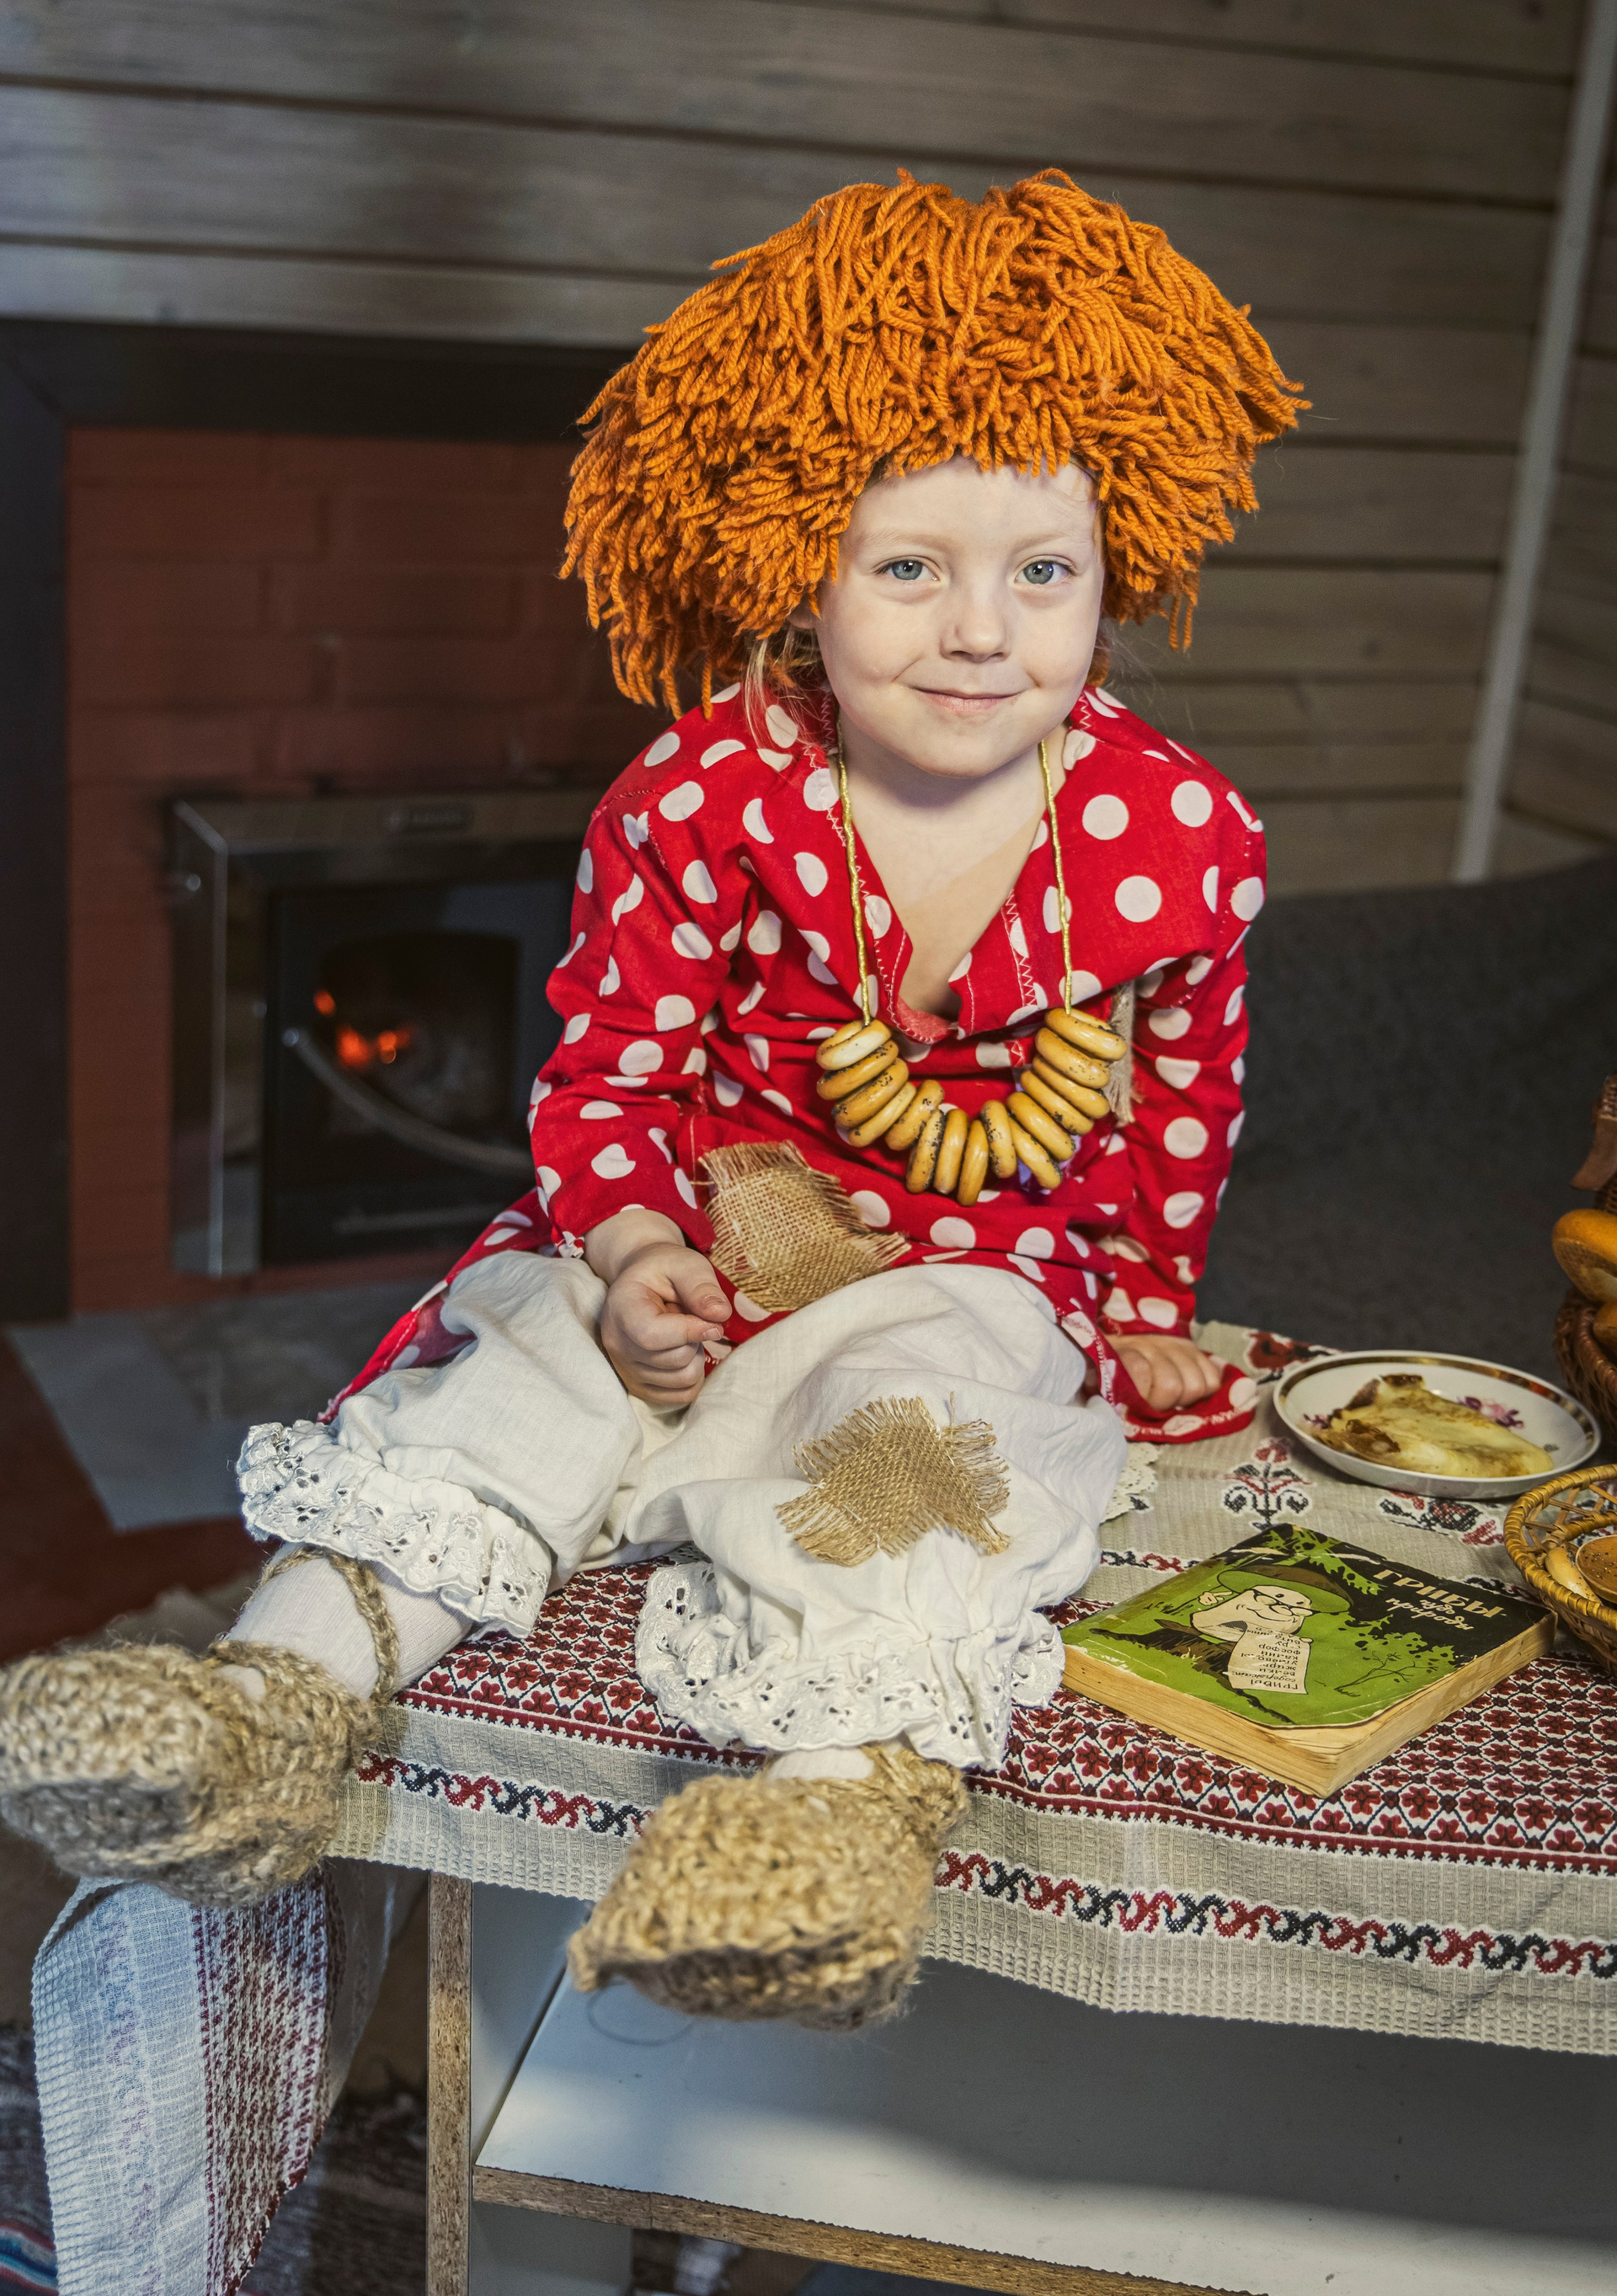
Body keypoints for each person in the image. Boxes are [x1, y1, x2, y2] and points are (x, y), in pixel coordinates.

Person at [0, 170, 1300, 2027]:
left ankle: (829, 1821)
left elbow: (1185, 1085)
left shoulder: (1179, 834)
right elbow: (610, 1068)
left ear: (1119, 578)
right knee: (513, 1371)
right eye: (909, 568)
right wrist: (621, 1251)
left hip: (968, 1261)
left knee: (923, 1441)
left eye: (1044, 573)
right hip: (698, 1222)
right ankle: (265, 1703)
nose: (979, 630)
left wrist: (1153, 1300)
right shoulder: (703, 793)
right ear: (802, 576)